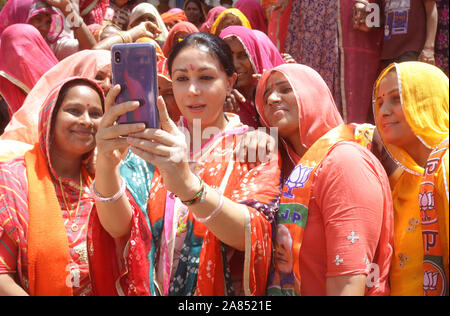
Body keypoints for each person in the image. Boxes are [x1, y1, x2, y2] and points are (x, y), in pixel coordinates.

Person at [89, 32, 281, 296]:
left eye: (205, 77)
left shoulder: (254, 146)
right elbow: (121, 228)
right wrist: (107, 166)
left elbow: (253, 235)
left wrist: (190, 188)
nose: (192, 91)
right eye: (181, 79)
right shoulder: (156, 143)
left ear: (229, 82)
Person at [256, 64, 394, 296]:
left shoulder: (344, 161)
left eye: (285, 89)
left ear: (313, 94)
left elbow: (348, 284)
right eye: (266, 94)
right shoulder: (284, 168)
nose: (271, 99)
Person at [0, 77, 105, 296]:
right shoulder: (13, 180)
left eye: (95, 114)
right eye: (74, 111)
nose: (86, 121)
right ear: (50, 117)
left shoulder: (105, 181)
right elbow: (2, 275)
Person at [373, 61, 448, 296]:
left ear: (429, 101)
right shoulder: (405, 183)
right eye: (380, 102)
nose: (384, 111)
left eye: (397, 99)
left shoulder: (446, 164)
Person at [1, 50, 111, 148]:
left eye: (113, 80)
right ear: (79, 75)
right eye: (98, 77)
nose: (107, 85)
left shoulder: (119, 119)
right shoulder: (36, 124)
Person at [219, 26, 284, 128]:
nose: (235, 64)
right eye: (228, 57)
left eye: (243, 55)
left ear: (255, 56)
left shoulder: (277, 93)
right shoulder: (221, 101)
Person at [0, 0, 97, 60]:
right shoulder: (2, 49)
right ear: (20, 16)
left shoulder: (51, 44)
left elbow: (91, 50)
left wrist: (67, 8)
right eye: (38, 19)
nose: (44, 28)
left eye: (48, 22)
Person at [0, 24, 58, 116]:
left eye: (26, 48)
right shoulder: (6, 91)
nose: (20, 55)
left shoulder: (61, 84)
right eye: (11, 51)